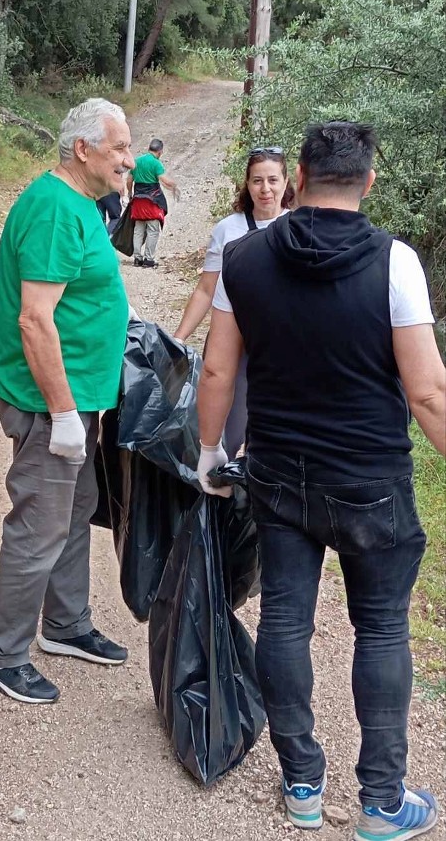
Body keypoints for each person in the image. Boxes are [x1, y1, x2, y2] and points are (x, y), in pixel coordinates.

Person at [196, 122, 444, 839]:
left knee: (283, 622)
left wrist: (212, 452)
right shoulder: (395, 263)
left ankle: (302, 781)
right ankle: (382, 803)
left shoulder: (244, 258)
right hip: (370, 481)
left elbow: (217, 369)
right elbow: (427, 393)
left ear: (299, 178)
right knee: (382, 630)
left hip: (277, 474)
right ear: (368, 181)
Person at [0, 98, 134, 704]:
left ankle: (65, 624)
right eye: (119, 147)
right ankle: (0, 652)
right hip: (49, 402)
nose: (129, 157)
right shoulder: (52, 210)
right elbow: (35, 322)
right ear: (83, 150)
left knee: (77, 505)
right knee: (40, 522)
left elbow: (79, 298)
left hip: (74, 398)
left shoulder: (82, 205)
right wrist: (64, 413)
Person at [175, 146, 294, 456]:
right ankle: (227, 492)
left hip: (282, 343)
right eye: (257, 181)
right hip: (233, 340)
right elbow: (206, 289)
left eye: (272, 180)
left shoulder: (300, 227)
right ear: (247, 184)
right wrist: (179, 337)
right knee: (232, 427)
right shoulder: (228, 229)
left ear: (286, 182)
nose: (265, 189)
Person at [128, 137, 178, 267]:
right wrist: (174, 186)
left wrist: (130, 194)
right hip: (152, 202)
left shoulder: (137, 161)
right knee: (152, 230)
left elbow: (129, 181)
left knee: (138, 230)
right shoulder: (156, 163)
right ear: (160, 151)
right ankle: (149, 260)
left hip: (138, 201)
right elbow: (164, 180)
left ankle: (137, 259)